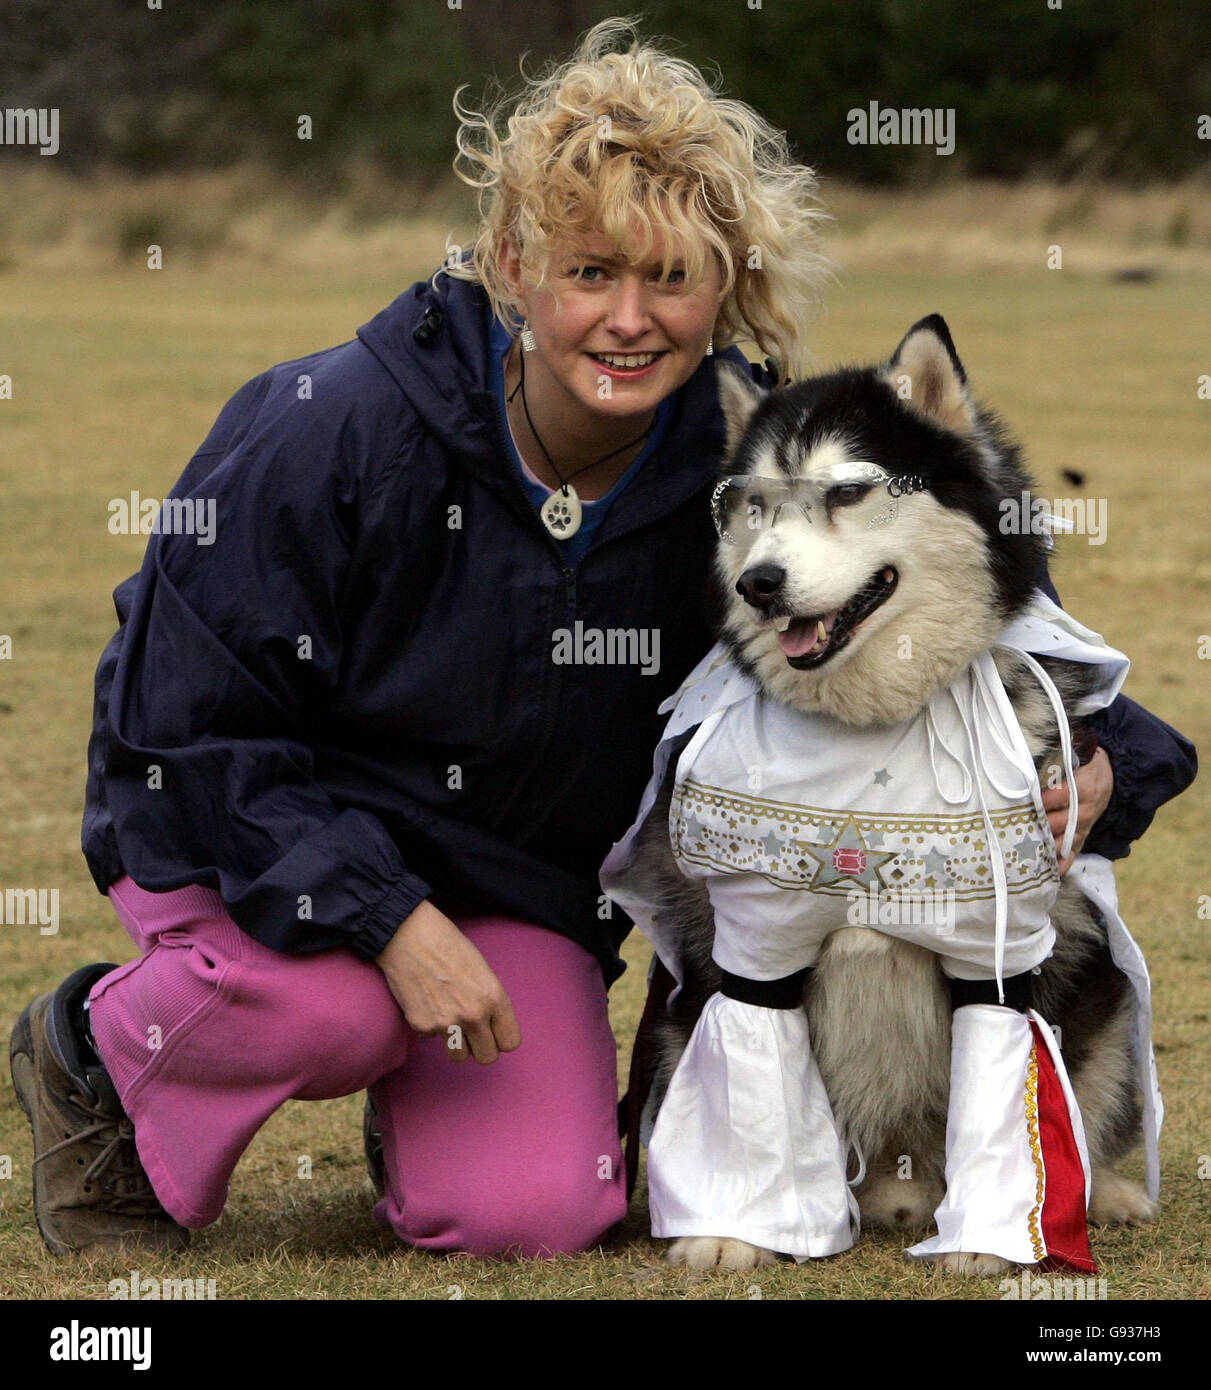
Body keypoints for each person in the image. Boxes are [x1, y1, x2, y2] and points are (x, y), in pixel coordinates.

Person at [9, 18, 1196, 1262]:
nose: (628, 320)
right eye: (588, 273)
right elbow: (183, 735)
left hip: (503, 888)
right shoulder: (333, 427)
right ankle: (94, 1050)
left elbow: (988, 631)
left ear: (724, 286)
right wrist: (384, 917)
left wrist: (1111, 754)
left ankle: (427, 1106)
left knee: (539, 1213)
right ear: (511, 265)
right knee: (334, 1007)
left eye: (671, 279)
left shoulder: (733, 472)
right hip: (246, 845)